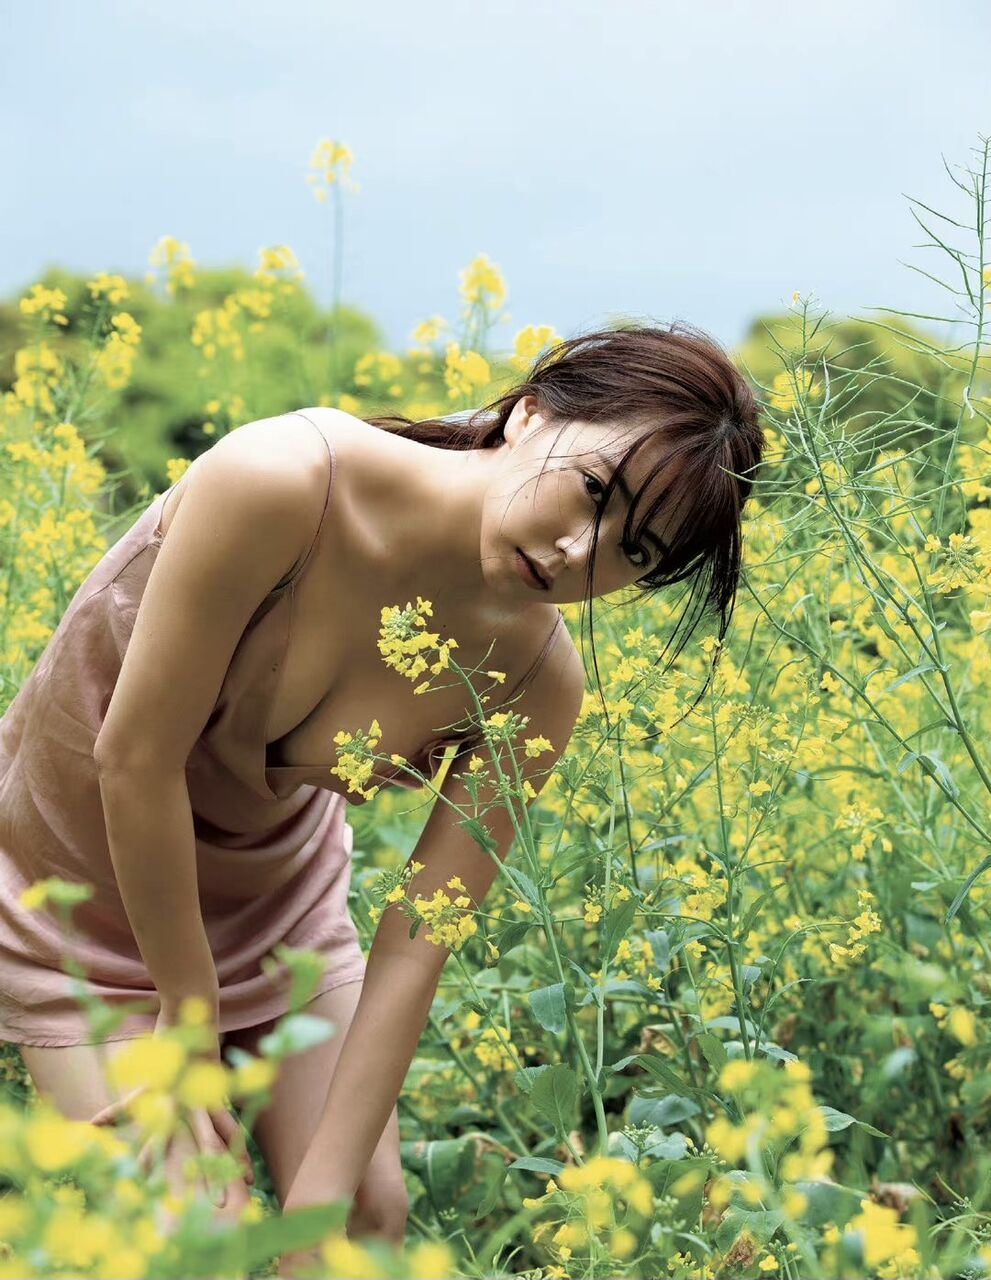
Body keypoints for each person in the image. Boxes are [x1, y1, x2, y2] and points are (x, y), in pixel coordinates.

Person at [0, 321, 763, 1243]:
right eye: (594, 490)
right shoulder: (283, 480)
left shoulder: (538, 683)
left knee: (364, 1221)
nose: (578, 552)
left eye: (633, 554)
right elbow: (134, 758)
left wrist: (323, 1203)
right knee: (197, 1234)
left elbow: (413, 945)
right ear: (528, 414)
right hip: (73, 896)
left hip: (275, 911)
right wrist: (188, 1017)